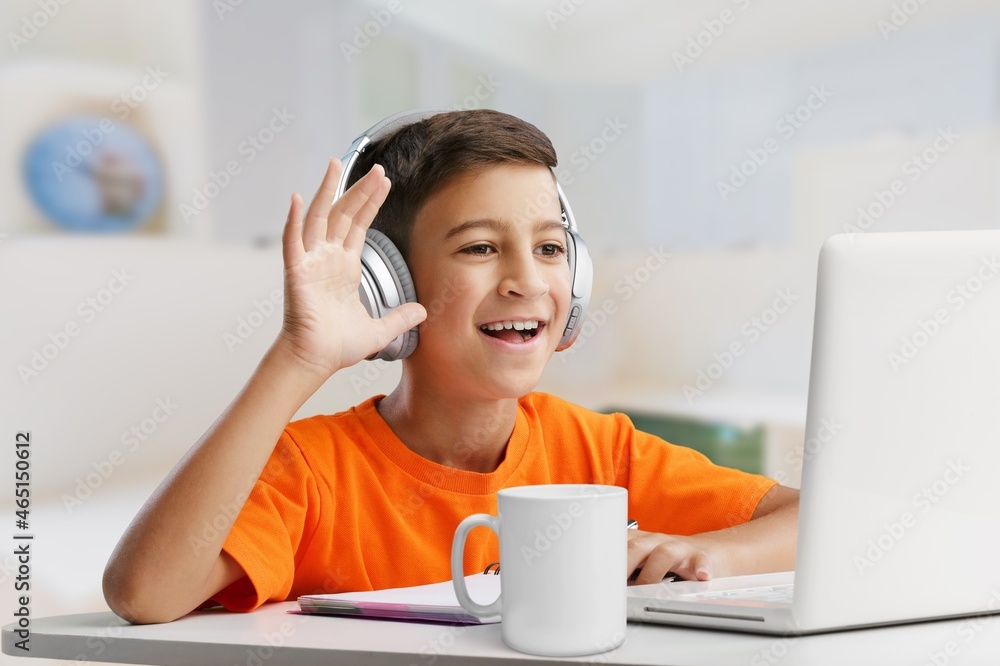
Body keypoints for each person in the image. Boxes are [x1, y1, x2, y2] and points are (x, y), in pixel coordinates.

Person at [103, 109, 798, 625]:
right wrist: (297, 359)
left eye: (551, 249)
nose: (527, 280)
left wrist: (717, 558)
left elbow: (820, 517)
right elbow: (145, 593)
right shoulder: (313, 472)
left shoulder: (599, 452)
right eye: (479, 249)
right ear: (392, 282)